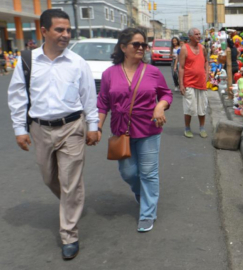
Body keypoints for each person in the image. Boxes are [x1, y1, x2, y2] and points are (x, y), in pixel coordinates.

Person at [7, 9, 99, 260]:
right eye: (60, 30)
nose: (65, 35)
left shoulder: (77, 63)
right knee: (50, 179)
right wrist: (20, 130)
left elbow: (89, 97)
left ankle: (69, 234)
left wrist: (93, 126)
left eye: (68, 30)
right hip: (40, 130)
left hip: (72, 128)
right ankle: (73, 199)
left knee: (70, 182)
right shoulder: (27, 60)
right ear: (44, 31)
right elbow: (18, 98)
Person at [97, 28, 172, 232]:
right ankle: (140, 192)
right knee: (128, 172)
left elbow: (166, 94)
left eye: (143, 45)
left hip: (149, 129)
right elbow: (103, 102)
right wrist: (97, 127)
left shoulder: (153, 72)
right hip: (121, 131)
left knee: (149, 173)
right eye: (136, 44)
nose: (141, 48)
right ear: (123, 47)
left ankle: (148, 213)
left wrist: (159, 106)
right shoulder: (109, 74)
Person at [178, 28, 209, 138]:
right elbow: (181, 67)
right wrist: (181, 84)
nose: (199, 36)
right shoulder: (184, 49)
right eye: (196, 34)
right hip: (189, 83)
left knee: (202, 108)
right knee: (189, 108)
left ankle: (202, 128)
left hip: (201, 83)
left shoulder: (203, 48)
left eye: (199, 34)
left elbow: (206, 62)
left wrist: (207, 75)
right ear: (190, 36)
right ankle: (187, 128)